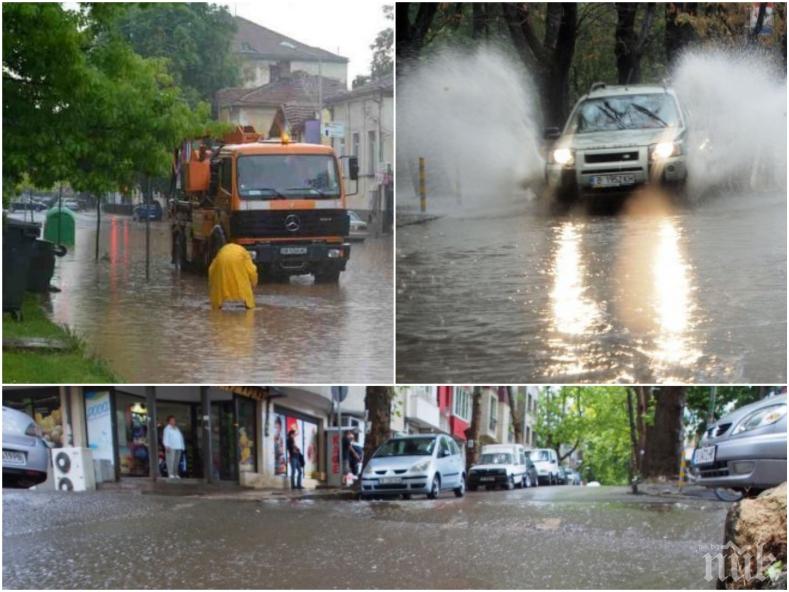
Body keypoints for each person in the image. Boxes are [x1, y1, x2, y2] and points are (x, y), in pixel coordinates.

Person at [208, 243, 258, 310]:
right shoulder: (244, 253)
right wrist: (253, 284)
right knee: (247, 314)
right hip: (242, 296)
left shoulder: (221, 253)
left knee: (219, 316)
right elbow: (252, 272)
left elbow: (211, 271)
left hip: (221, 298)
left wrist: (212, 286)